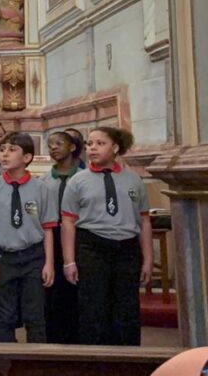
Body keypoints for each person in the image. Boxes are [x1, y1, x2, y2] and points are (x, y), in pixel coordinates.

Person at [61, 127, 151, 345]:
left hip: (127, 248)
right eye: (89, 144)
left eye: (100, 144)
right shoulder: (77, 181)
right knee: (93, 307)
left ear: (115, 148)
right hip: (92, 246)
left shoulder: (133, 180)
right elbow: (68, 222)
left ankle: (128, 357)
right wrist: (69, 261)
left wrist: (148, 259)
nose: (92, 148)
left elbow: (144, 221)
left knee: (127, 307)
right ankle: (95, 357)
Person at [0, 132, 56, 343]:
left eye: (12, 150)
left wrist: (49, 263)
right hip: (3, 256)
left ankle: (36, 360)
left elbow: (48, 228)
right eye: (2, 150)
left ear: (27, 157)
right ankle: (4, 360)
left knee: (35, 315)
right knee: (4, 316)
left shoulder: (42, 188)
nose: (5, 154)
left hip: (33, 256)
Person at [41, 130, 83, 343]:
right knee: (53, 290)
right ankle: (55, 338)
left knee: (77, 287)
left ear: (72, 147)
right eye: (50, 145)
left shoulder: (83, 177)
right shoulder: (44, 181)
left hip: (79, 236)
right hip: (52, 236)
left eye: (59, 143)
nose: (54, 148)